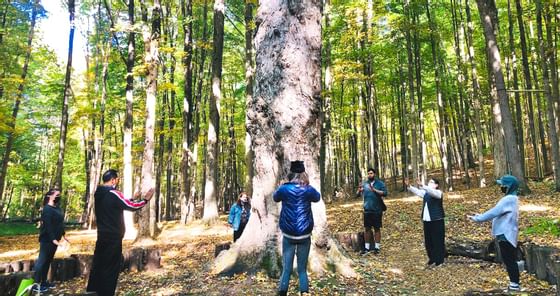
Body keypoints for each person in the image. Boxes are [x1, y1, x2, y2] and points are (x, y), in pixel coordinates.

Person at [86, 169, 154, 296]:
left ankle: (92, 291)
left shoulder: (99, 194)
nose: (117, 182)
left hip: (102, 236)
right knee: (111, 268)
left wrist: (132, 198)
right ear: (113, 180)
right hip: (113, 238)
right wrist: (145, 200)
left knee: (98, 265)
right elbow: (131, 207)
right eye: (117, 180)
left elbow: (115, 204)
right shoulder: (114, 193)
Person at [273, 160, 321, 296]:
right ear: (303, 173)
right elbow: (317, 198)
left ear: (290, 173)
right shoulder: (308, 189)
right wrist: (308, 186)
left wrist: (283, 185)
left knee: (286, 269)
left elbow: (275, 198)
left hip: (288, 235)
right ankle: (304, 292)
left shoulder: (284, 188)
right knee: (302, 270)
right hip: (304, 235)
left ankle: (282, 292)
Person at [468, 174, 521, 292]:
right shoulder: (513, 198)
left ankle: (514, 285)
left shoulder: (508, 199)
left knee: (509, 260)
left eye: (502, 185)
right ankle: (515, 283)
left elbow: (494, 212)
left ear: (508, 186)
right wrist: (479, 216)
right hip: (508, 233)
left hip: (505, 234)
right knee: (509, 259)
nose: (501, 187)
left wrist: (478, 218)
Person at [33, 189, 69, 293]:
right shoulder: (47, 209)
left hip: (55, 240)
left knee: (48, 261)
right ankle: (36, 284)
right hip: (47, 239)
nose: (59, 197)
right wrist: (53, 239)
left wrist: (63, 235)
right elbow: (48, 225)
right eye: (57, 195)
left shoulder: (57, 208)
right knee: (42, 261)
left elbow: (59, 223)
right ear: (50, 196)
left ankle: (44, 282)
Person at [406, 178, 445, 267]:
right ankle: (432, 258)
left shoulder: (438, 193)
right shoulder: (426, 193)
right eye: (429, 182)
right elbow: (418, 192)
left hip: (437, 220)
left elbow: (432, 192)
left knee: (438, 241)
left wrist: (423, 186)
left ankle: (439, 260)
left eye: (432, 182)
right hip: (427, 221)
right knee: (428, 241)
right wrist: (409, 186)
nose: (429, 183)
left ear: (436, 185)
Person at [356, 168, 388, 254]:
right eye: (368, 173)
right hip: (367, 210)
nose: (370, 175)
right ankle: (367, 248)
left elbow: (385, 193)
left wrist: (375, 190)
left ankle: (377, 248)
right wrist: (359, 191)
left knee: (377, 229)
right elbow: (357, 194)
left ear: (374, 174)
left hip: (377, 210)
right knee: (367, 229)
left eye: (371, 173)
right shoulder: (365, 184)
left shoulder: (380, 183)